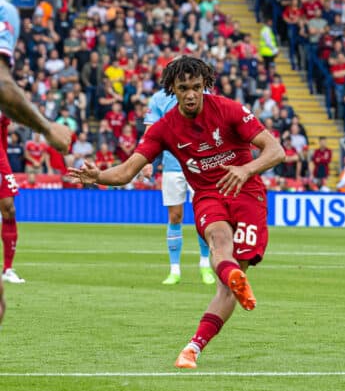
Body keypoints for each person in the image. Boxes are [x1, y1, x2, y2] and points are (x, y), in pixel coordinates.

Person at [68, 56, 285, 368]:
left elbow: (276, 150)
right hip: (209, 195)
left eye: (196, 87)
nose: (191, 94)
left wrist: (245, 169)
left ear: (204, 86)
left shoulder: (229, 109)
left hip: (247, 193)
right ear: (172, 89)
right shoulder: (164, 128)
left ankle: (204, 328)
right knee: (219, 240)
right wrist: (98, 176)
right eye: (184, 88)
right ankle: (193, 347)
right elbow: (129, 171)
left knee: (228, 283)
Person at [0, 0, 72, 324]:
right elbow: (2, 85)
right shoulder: (5, 12)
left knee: (9, 208)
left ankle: (8, 268)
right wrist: (47, 128)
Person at [144, 88, 216, 286]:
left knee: (204, 216)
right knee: (175, 215)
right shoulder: (158, 98)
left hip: (200, 164)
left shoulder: (204, 93)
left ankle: (205, 265)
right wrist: (148, 160)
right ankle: (174, 269)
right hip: (172, 165)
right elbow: (151, 134)